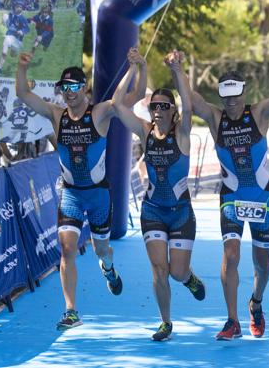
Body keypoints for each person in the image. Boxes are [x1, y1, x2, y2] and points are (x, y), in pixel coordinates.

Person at [16, 49, 146, 330]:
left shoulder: (99, 113)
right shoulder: (56, 115)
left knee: (101, 250)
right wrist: (22, 67)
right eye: (65, 88)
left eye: (75, 86)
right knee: (67, 251)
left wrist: (136, 67)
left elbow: (125, 97)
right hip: (71, 195)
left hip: (99, 194)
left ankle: (108, 269)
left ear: (84, 88)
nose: (70, 92)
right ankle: (71, 311)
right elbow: (25, 96)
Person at [190, 59, 269, 340]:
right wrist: (176, 70)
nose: (231, 102)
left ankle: (255, 302)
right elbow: (190, 99)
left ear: (244, 93)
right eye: (225, 96)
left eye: (236, 95)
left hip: (262, 198)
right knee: (230, 257)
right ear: (221, 95)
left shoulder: (260, 111)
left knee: (261, 264)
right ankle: (232, 321)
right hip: (231, 196)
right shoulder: (215, 117)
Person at [112, 49, 206, 341]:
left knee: (177, 273)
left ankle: (189, 278)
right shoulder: (144, 131)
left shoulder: (182, 133)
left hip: (180, 213)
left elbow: (189, 108)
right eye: (155, 106)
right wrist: (134, 68)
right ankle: (165, 322)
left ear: (173, 111)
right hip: (152, 211)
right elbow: (117, 104)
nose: (159, 111)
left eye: (165, 106)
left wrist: (177, 69)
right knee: (159, 269)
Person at [0, 0, 29, 77]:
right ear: (14, 7)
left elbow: (27, 29)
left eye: (20, 7)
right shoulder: (10, 15)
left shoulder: (22, 18)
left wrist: (22, 31)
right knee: (4, 52)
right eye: (17, 6)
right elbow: (6, 19)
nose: (19, 8)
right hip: (9, 36)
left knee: (13, 55)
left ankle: (13, 52)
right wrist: (4, 20)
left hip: (17, 40)